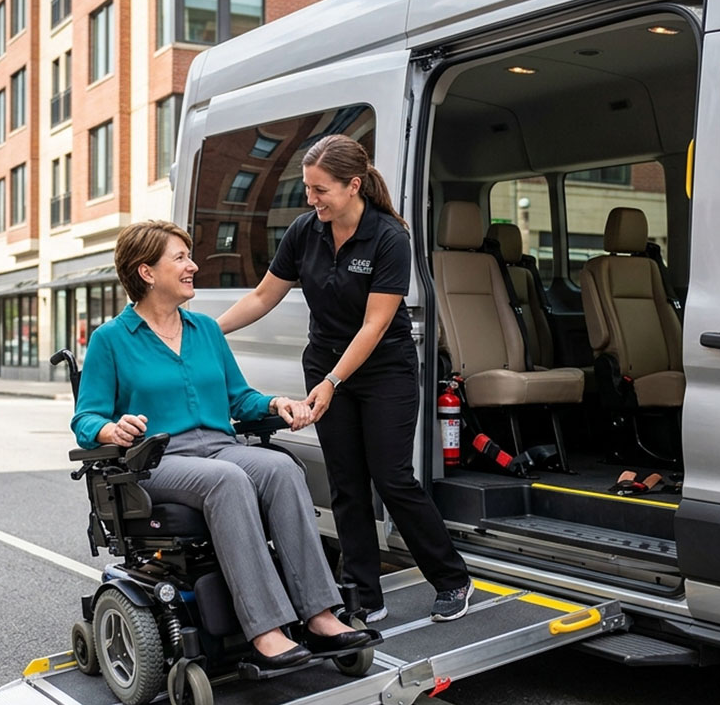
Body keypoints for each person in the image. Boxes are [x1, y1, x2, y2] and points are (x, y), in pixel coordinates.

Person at [71, 220, 373, 669]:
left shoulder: (205, 331)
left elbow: (240, 398)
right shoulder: (111, 340)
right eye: (180, 258)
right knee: (228, 481)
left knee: (282, 468)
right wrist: (112, 431)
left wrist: (275, 403)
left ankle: (319, 615)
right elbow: (85, 418)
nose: (193, 266)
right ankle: (266, 630)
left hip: (218, 445)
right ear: (147, 272)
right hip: (158, 461)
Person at [217, 134, 474, 624]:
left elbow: (375, 325)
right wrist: (205, 330)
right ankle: (363, 591)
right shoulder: (304, 230)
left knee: (392, 478)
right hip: (327, 366)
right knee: (346, 481)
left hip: (384, 370)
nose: (311, 200)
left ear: (353, 185)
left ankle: (452, 579)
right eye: (308, 190)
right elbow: (262, 296)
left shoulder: (389, 238)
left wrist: (334, 380)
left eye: (320, 191)